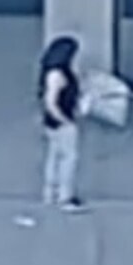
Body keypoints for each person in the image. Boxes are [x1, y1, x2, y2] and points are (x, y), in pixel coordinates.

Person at [37, 35, 85, 213]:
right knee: (68, 158)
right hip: (62, 122)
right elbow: (50, 102)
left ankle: (50, 192)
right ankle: (65, 196)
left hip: (51, 123)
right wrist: (66, 120)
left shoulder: (50, 71)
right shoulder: (58, 74)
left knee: (54, 157)